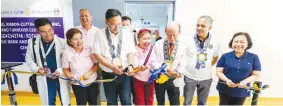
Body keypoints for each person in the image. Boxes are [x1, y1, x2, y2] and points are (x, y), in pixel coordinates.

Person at [92, 9, 136, 105]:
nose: (117, 27)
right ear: (106, 21)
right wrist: (111, 67)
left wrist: (130, 65)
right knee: (111, 101)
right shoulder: (99, 34)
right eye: (113, 24)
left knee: (126, 101)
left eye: (119, 24)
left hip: (124, 73)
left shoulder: (126, 33)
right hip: (108, 73)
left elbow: (131, 52)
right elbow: (97, 54)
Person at [25, 18, 70, 105]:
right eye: (43, 32)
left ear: (53, 28)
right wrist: (37, 69)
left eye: (50, 30)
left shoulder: (63, 43)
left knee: (65, 102)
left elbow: (68, 61)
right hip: (45, 77)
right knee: (48, 102)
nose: (48, 34)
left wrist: (59, 71)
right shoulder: (32, 43)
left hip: (60, 76)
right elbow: (29, 59)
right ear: (38, 32)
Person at [183, 15, 220, 105]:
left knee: (202, 103)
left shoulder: (215, 42)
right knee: (187, 102)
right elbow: (183, 56)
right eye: (198, 25)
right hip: (190, 77)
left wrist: (206, 66)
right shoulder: (188, 40)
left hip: (206, 78)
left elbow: (215, 57)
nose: (199, 28)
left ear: (209, 27)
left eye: (203, 26)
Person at [216, 32, 261, 105]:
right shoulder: (225, 56)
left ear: (247, 44)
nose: (238, 44)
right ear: (232, 43)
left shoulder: (254, 57)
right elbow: (218, 71)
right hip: (224, 89)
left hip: (242, 90)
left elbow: (256, 74)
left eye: (242, 42)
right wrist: (227, 80)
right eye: (236, 41)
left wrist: (245, 81)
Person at [151, 22, 187, 105]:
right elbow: (153, 61)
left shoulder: (182, 47)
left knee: (175, 103)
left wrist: (178, 73)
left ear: (179, 33)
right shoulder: (158, 44)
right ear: (165, 32)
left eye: (174, 35)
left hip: (174, 78)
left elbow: (183, 64)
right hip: (160, 78)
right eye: (169, 35)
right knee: (160, 102)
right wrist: (164, 68)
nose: (172, 38)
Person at [62, 28, 99, 105]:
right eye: (75, 39)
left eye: (80, 38)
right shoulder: (66, 52)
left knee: (93, 102)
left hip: (92, 81)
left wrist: (90, 73)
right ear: (69, 41)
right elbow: (65, 69)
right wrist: (70, 76)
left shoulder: (89, 49)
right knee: (81, 103)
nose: (79, 41)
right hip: (77, 83)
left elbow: (96, 64)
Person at [132, 29, 155, 105]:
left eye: (148, 38)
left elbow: (156, 62)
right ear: (138, 39)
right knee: (139, 101)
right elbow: (134, 65)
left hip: (150, 79)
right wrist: (139, 67)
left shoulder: (153, 49)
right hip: (138, 80)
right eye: (144, 39)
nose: (147, 41)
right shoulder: (134, 50)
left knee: (150, 100)